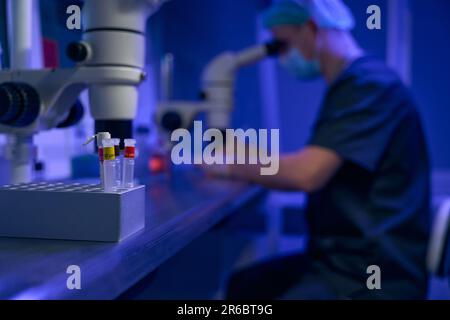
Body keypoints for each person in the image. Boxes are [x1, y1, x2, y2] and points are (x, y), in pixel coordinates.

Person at [206, 0, 431, 299]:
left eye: (282, 45)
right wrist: (232, 149)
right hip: (338, 261)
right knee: (243, 286)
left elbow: (306, 174)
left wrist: (226, 165)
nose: (282, 57)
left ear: (312, 27)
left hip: (372, 274)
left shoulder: (370, 86)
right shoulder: (351, 86)